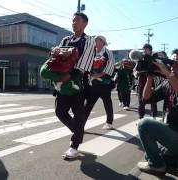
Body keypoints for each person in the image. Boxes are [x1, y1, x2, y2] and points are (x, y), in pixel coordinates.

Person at [137, 49, 178, 175]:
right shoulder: (167, 83)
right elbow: (146, 98)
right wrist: (150, 77)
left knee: (144, 124)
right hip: (173, 134)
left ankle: (156, 166)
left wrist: (167, 73)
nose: (174, 64)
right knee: (149, 155)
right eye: (173, 61)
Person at [51, 12, 95, 159]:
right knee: (60, 112)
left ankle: (74, 146)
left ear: (85, 24)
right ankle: (78, 131)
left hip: (78, 83)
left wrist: (67, 76)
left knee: (79, 115)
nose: (74, 23)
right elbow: (57, 58)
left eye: (77, 20)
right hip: (62, 83)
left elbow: (83, 65)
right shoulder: (66, 39)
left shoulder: (88, 41)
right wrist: (54, 53)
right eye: (73, 20)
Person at [84, 35, 115, 130]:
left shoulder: (108, 52)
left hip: (104, 83)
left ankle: (109, 122)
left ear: (102, 42)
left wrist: (99, 74)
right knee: (88, 105)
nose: (95, 42)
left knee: (107, 103)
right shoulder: (92, 51)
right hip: (94, 83)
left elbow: (110, 66)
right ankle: (81, 124)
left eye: (96, 40)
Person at [134, 44, 158, 119]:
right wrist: (136, 73)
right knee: (141, 102)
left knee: (153, 101)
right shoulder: (140, 60)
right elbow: (135, 70)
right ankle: (141, 118)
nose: (144, 51)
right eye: (144, 49)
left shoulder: (154, 60)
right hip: (141, 83)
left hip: (152, 83)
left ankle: (154, 118)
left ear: (150, 51)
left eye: (146, 49)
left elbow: (158, 70)